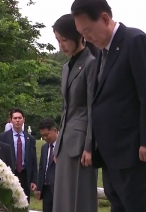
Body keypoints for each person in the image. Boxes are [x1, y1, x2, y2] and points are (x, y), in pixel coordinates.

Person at [71, 0, 146, 212]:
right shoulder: (101, 53)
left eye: (87, 31)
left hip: (139, 154)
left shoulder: (135, 41)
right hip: (113, 156)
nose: (86, 38)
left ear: (105, 19)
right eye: (81, 34)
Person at [50, 13, 98, 212]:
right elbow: (65, 108)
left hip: (81, 144)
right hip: (65, 141)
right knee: (62, 199)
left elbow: (92, 108)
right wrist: (57, 146)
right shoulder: (65, 68)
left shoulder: (91, 63)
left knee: (80, 199)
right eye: (57, 40)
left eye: (64, 40)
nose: (61, 46)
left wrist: (89, 146)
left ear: (79, 36)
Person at [0, 109, 37, 204]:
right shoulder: (2, 137)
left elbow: (33, 160)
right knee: (8, 203)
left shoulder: (30, 139)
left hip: (24, 174)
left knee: (24, 204)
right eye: (15, 118)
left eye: (20, 118)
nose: (17, 120)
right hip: (9, 174)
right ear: (10, 120)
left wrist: (34, 180)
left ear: (24, 120)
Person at [36, 119, 58, 212]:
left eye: (46, 135)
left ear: (55, 131)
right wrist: (39, 187)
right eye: (42, 135)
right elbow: (42, 169)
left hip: (59, 189)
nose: (44, 138)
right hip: (46, 190)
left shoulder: (64, 146)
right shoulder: (44, 148)